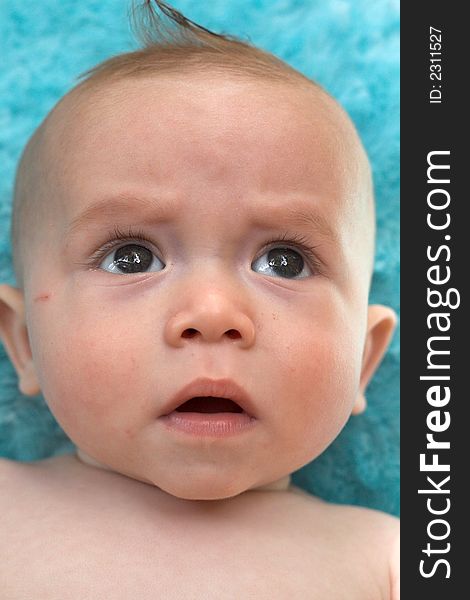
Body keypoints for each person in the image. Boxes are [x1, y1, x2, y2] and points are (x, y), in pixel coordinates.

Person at [0, 1, 399, 597]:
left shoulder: (388, 557)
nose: (213, 314)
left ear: (363, 360)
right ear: (26, 342)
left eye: (284, 262)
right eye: (131, 257)